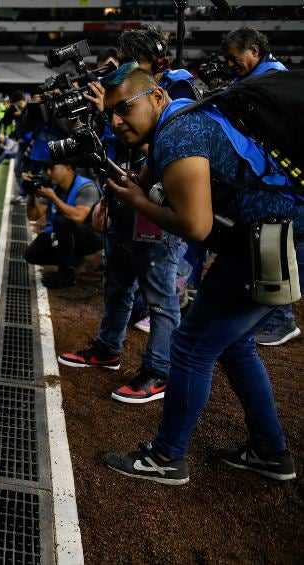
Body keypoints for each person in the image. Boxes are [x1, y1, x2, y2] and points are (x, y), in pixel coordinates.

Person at [100, 66, 301, 485]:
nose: (116, 122)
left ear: (156, 97)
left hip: (271, 242)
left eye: (124, 109)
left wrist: (138, 200)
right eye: (110, 114)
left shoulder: (179, 134)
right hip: (272, 235)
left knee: (191, 345)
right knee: (235, 343)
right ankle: (271, 451)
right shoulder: (186, 116)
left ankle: (167, 457)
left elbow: (196, 226)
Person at [59, 62, 182, 404]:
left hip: (155, 216)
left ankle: (159, 371)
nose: (116, 118)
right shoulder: (122, 108)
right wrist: (108, 199)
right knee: (117, 287)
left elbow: (156, 163)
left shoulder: (172, 115)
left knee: (160, 299)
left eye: (122, 109)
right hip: (123, 211)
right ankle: (108, 349)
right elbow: (116, 161)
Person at [217, 27, 297, 346]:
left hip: (279, 178)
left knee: (275, 244)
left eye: (234, 58)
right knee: (262, 244)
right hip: (262, 175)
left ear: (254, 49)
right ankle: (268, 313)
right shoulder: (253, 80)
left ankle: (282, 319)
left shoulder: (274, 78)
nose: (229, 64)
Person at [23, 161, 103, 289]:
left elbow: (78, 216)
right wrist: (32, 193)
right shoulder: (53, 187)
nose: (49, 172)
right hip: (64, 234)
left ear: (68, 168)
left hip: (91, 236)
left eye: (52, 168)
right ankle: (74, 260)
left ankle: (67, 273)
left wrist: (53, 198)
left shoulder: (86, 187)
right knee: (31, 254)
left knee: (62, 221)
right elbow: (34, 215)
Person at [223, 26, 288, 83]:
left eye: (233, 58)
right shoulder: (252, 72)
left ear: (254, 51)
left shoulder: (275, 77)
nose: (230, 64)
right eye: (227, 59)